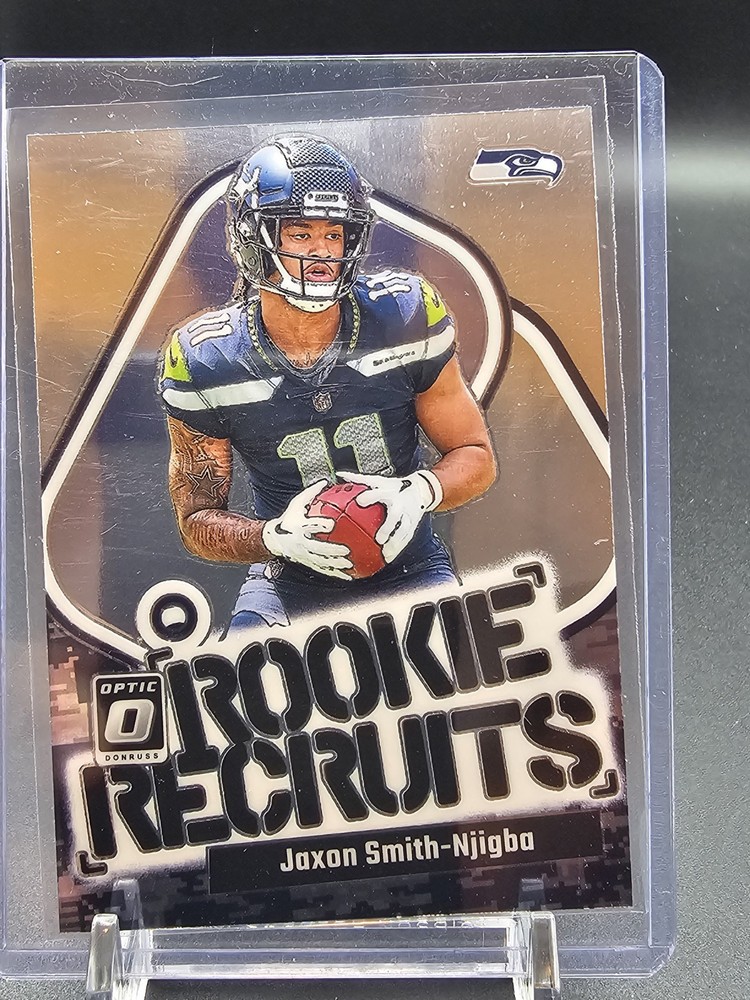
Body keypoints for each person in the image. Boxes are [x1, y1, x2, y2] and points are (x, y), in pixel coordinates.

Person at [158, 134, 497, 630]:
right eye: (300, 233)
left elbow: (476, 455)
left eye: (334, 234)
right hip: (287, 581)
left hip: (411, 567)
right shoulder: (207, 359)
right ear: (253, 238)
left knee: (459, 673)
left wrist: (417, 492)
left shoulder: (404, 314)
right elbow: (196, 521)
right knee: (246, 675)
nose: (321, 252)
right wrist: (275, 537)